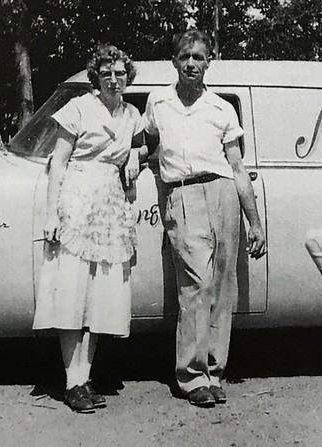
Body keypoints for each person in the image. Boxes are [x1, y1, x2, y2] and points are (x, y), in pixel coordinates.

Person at [142, 29, 267, 407]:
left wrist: (254, 221)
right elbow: (150, 146)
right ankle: (192, 376)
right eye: (185, 57)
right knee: (196, 284)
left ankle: (214, 372)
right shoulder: (158, 101)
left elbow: (237, 166)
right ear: (174, 61)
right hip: (182, 194)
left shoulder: (221, 109)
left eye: (198, 57)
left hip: (223, 193)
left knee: (222, 286)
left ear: (209, 61)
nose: (192, 64)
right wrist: (150, 173)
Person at [32, 44, 143, 413]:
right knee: (73, 291)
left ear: (128, 77)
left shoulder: (131, 114)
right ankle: (71, 381)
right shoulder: (80, 107)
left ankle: (85, 377)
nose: (114, 79)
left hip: (110, 204)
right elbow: (58, 162)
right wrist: (52, 214)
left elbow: (145, 145)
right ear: (96, 76)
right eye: (107, 73)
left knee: (99, 295)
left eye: (120, 73)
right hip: (78, 200)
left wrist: (134, 158)